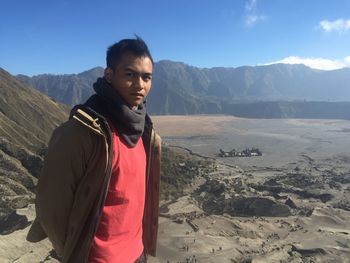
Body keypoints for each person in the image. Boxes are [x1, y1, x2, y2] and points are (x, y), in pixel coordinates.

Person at [26, 36, 162, 263]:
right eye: (130, 74)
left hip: (137, 254)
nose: (140, 85)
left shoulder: (144, 131)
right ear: (109, 75)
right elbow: (50, 207)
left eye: (146, 77)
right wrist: (74, 253)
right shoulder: (81, 133)